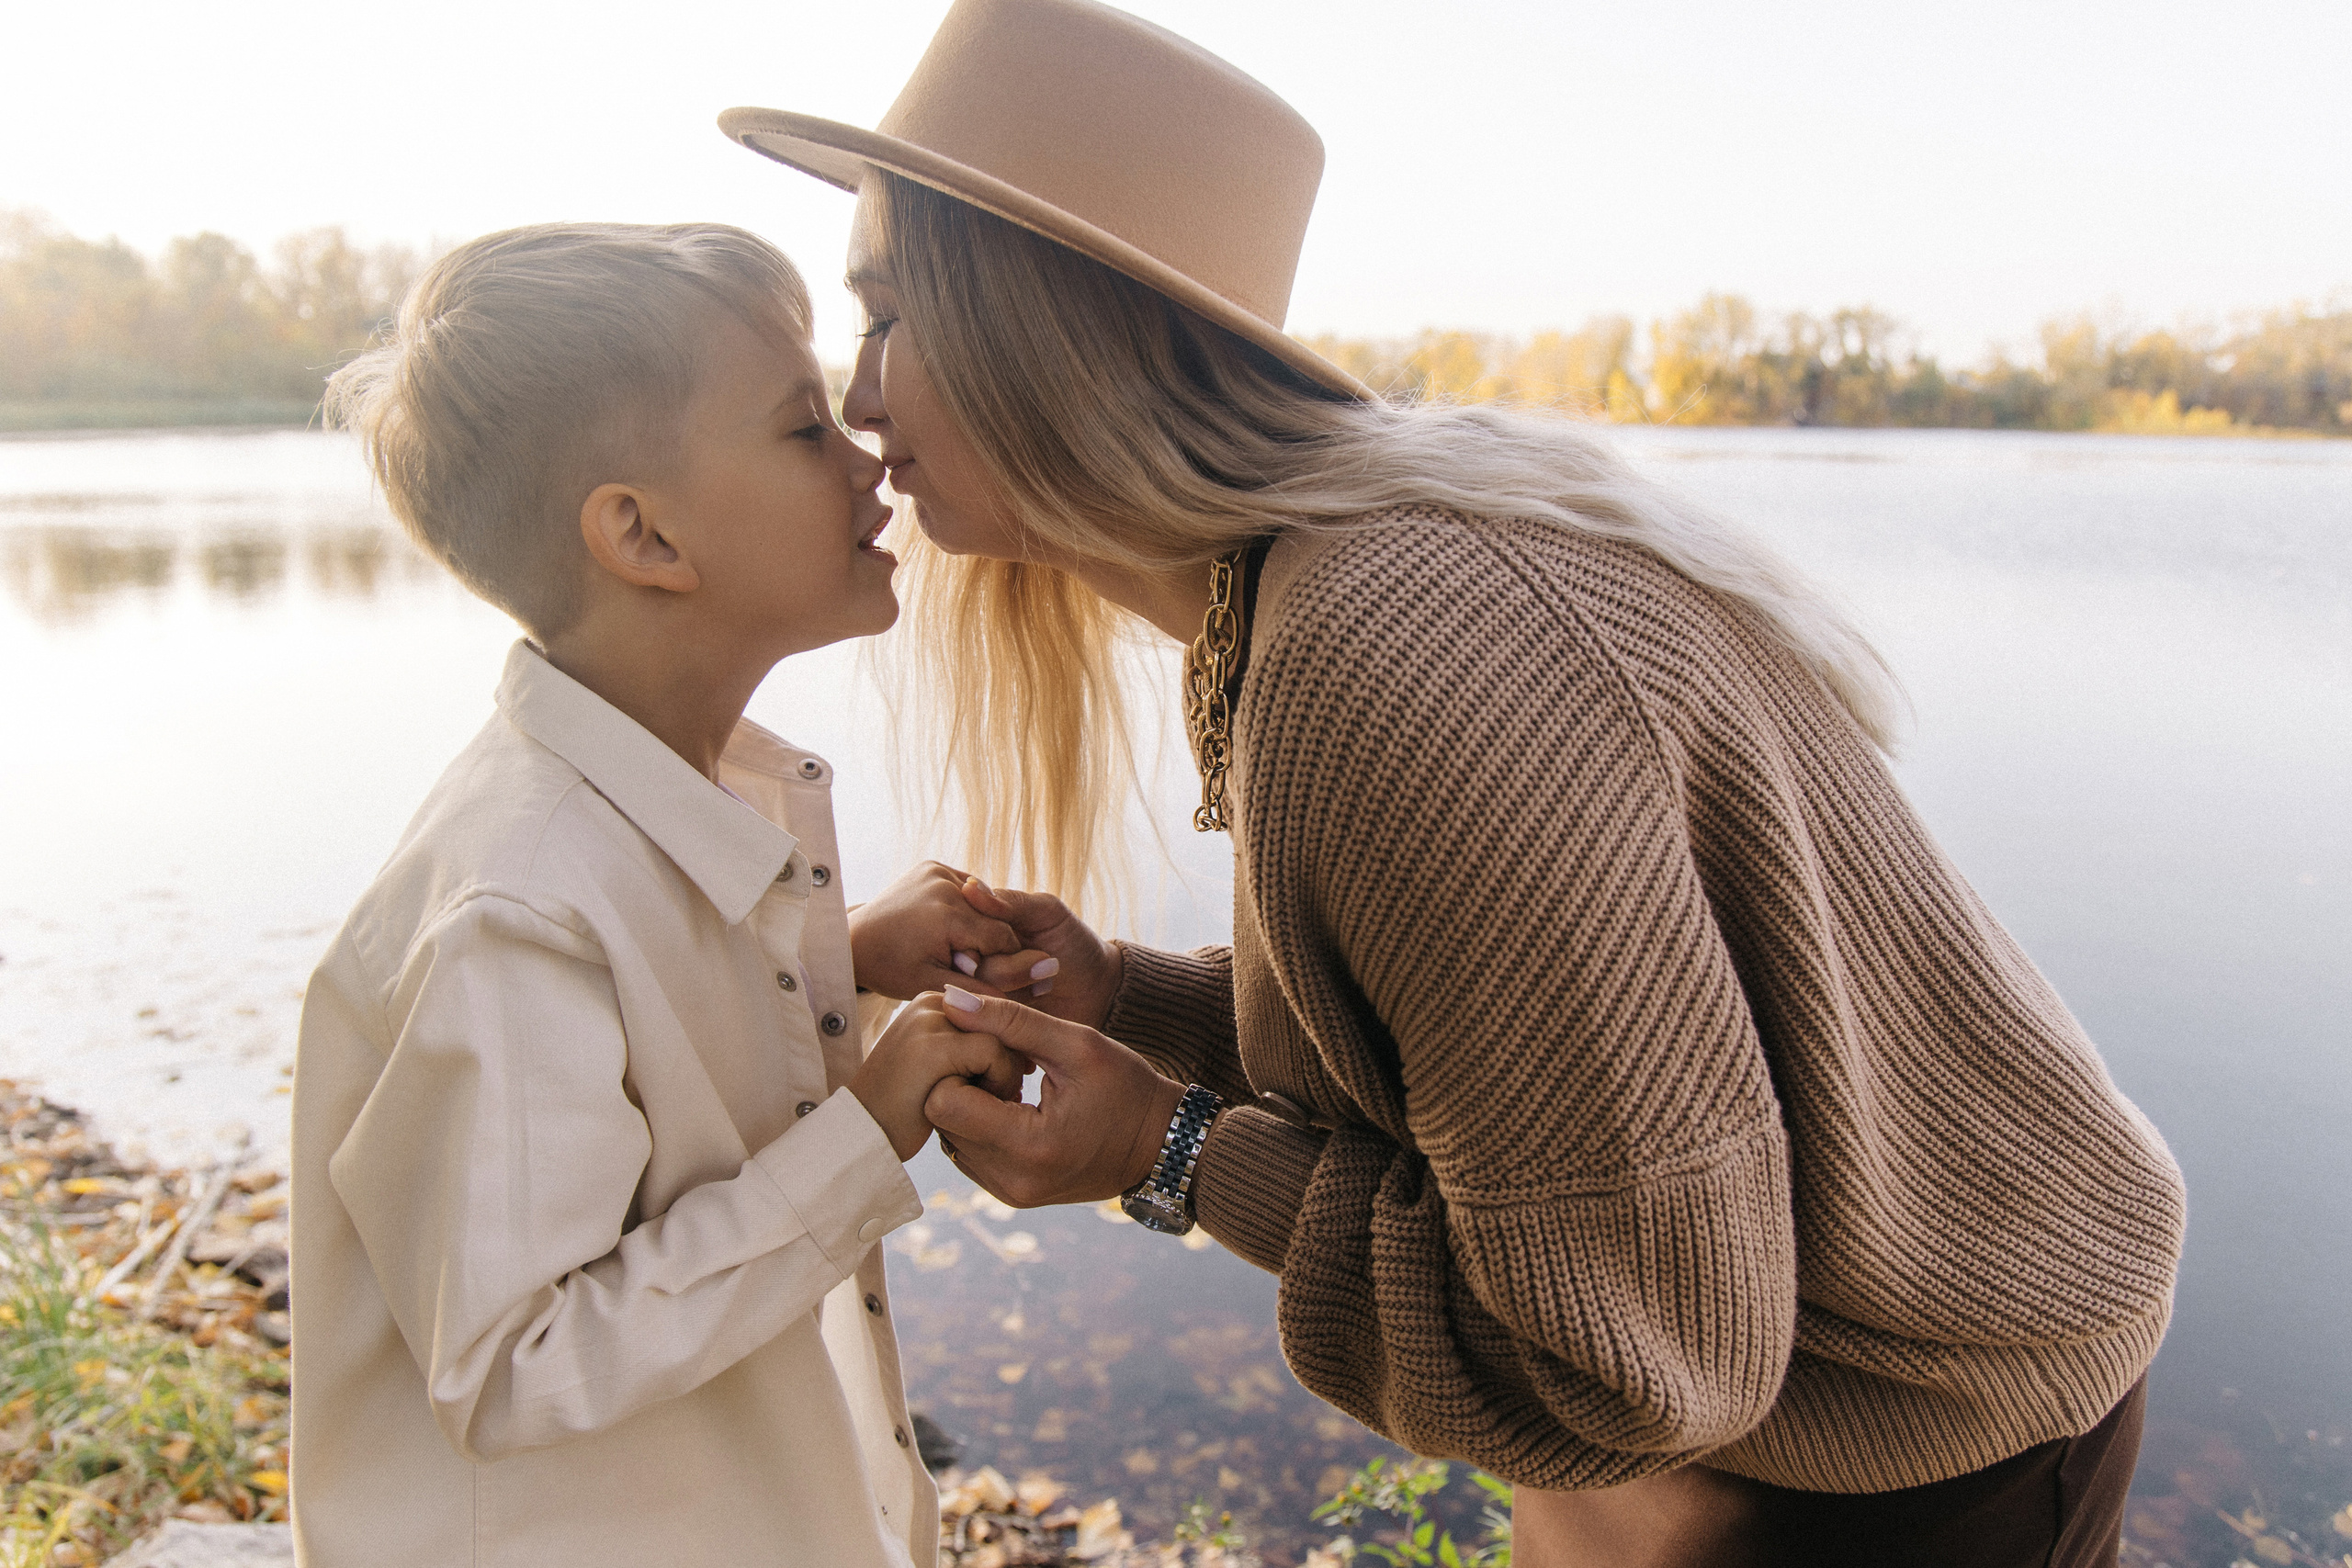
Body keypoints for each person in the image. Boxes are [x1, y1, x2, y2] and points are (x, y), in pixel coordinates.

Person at [718, 3, 2190, 1564]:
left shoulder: (1397, 649)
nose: (859, 400)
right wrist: (1129, 999)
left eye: (889, 317)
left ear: (1049, 335)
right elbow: (1498, 1076)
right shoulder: (1331, 582)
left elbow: (1632, 1361)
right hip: (1816, 1388)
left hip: (1922, 1447)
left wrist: (1171, 1151)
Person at [290, 222, 1043, 1568]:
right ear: (642, 535)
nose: (871, 459)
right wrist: (866, 1130)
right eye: (805, 428)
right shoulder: (513, 916)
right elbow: (514, 1363)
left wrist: (845, 962)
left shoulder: (648, 805)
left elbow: (649, 1059)